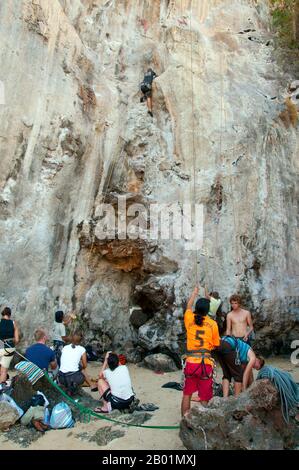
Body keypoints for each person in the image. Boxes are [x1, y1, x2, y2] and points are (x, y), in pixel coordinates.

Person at [181, 286, 220, 416]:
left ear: (196, 309)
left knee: (187, 394)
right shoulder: (212, 324)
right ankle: (204, 422)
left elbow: (187, 307)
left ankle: (184, 420)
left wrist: (194, 293)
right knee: (204, 396)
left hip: (191, 362)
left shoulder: (189, 318)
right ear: (208, 310)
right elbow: (215, 345)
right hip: (205, 363)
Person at [58, 331, 93, 396]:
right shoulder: (82, 349)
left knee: (78, 367)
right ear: (81, 340)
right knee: (81, 369)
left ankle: (69, 387)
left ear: (71, 338)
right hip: (74, 378)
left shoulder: (65, 347)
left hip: (61, 378)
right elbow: (85, 365)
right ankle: (75, 387)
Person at [0, 307, 19, 384]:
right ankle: (1, 388)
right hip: (9, 348)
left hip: (0, 347)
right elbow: (17, 340)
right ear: (10, 315)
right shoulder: (13, 323)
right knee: (4, 371)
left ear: (2, 314)